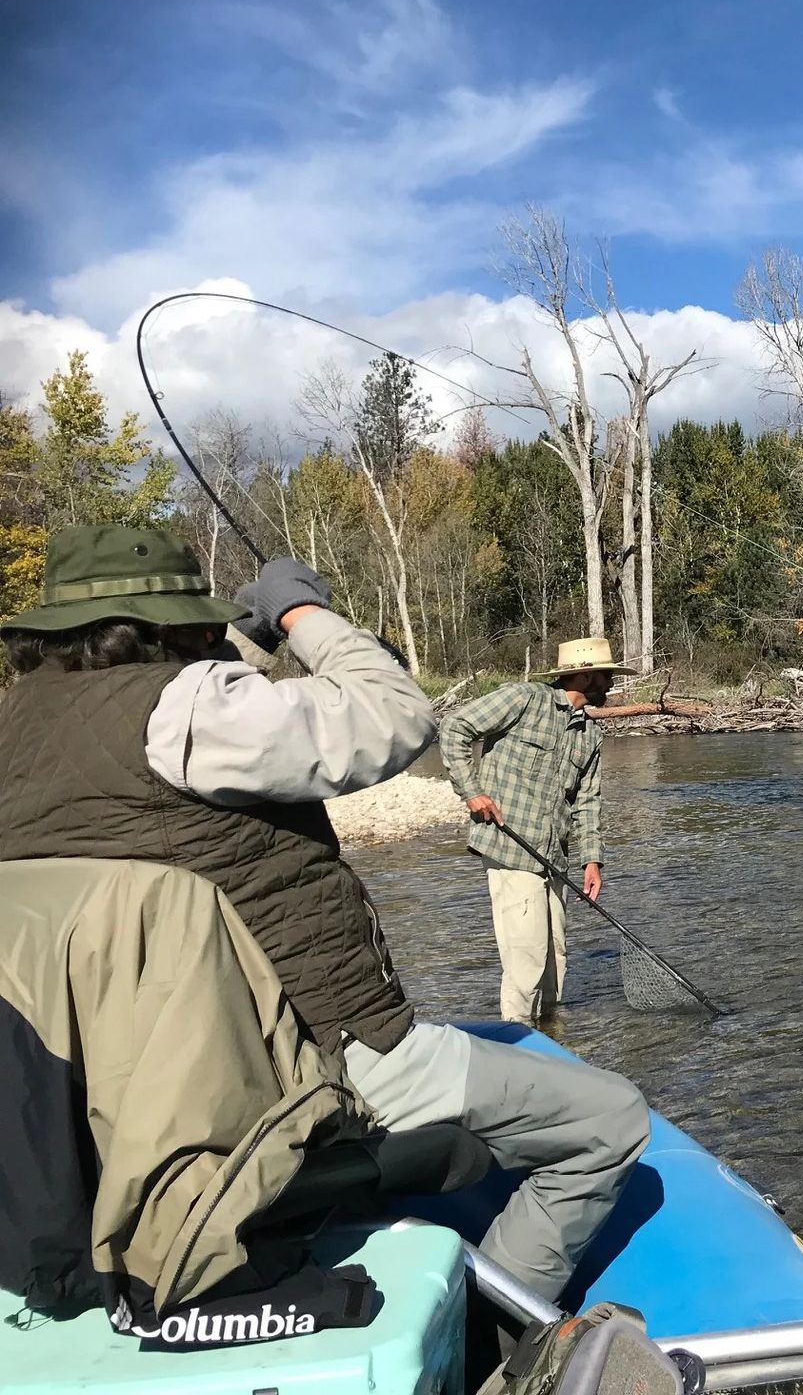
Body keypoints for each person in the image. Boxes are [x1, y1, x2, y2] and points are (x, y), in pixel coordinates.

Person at [0, 526, 649, 1304]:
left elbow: (182, 746)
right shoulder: (187, 709)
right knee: (609, 1122)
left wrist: (239, 634)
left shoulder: (20, 731)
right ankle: (487, 1338)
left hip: (125, 1088)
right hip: (305, 1058)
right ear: (171, 626)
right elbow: (398, 717)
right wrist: (302, 613)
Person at [440, 638, 631, 1025]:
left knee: (554, 963)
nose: (611, 683)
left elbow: (588, 802)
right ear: (587, 674)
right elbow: (455, 726)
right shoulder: (524, 699)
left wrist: (592, 860)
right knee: (525, 961)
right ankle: (518, 1045)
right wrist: (471, 791)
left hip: (554, 860)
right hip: (511, 849)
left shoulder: (590, 735)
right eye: (607, 675)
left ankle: (550, 1041)